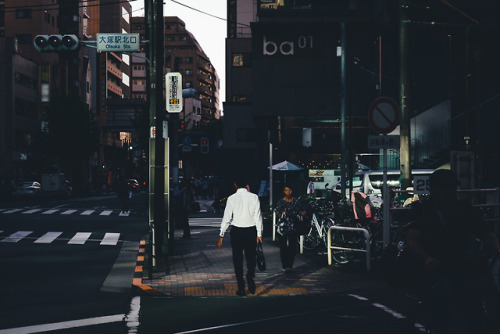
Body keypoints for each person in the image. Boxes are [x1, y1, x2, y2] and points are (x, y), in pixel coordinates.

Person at [406, 169, 500, 333]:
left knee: (483, 294)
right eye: (443, 188)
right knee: (442, 297)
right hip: (435, 268)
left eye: (451, 188)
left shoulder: (464, 209)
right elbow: (412, 240)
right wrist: (426, 258)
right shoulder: (422, 210)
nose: (448, 193)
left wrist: (497, 247)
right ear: (433, 190)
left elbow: (485, 233)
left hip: (462, 264)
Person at [218, 176, 263, 296]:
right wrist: (259, 234)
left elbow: (227, 218)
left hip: (237, 231)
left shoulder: (232, 198)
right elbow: (257, 216)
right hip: (251, 230)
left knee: (237, 259)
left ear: (235, 185)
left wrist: (221, 235)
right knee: (251, 257)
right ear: (246, 184)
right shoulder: (254, 197)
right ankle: (250, 276)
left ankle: (241, 287)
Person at [275, 185, 307, 273]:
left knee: (292, 247)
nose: (287, 192)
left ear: (292, 191)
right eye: (286, 190)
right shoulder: (281, 202)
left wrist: (302, 212)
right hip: (283, 227)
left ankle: (290, 265)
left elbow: (301, 210)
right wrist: (282, 213)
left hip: (293, 226)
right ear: (284, 192)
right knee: (283, 246)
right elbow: (278, 213)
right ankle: (285, 265)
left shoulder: (296, 201)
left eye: (289, 190)